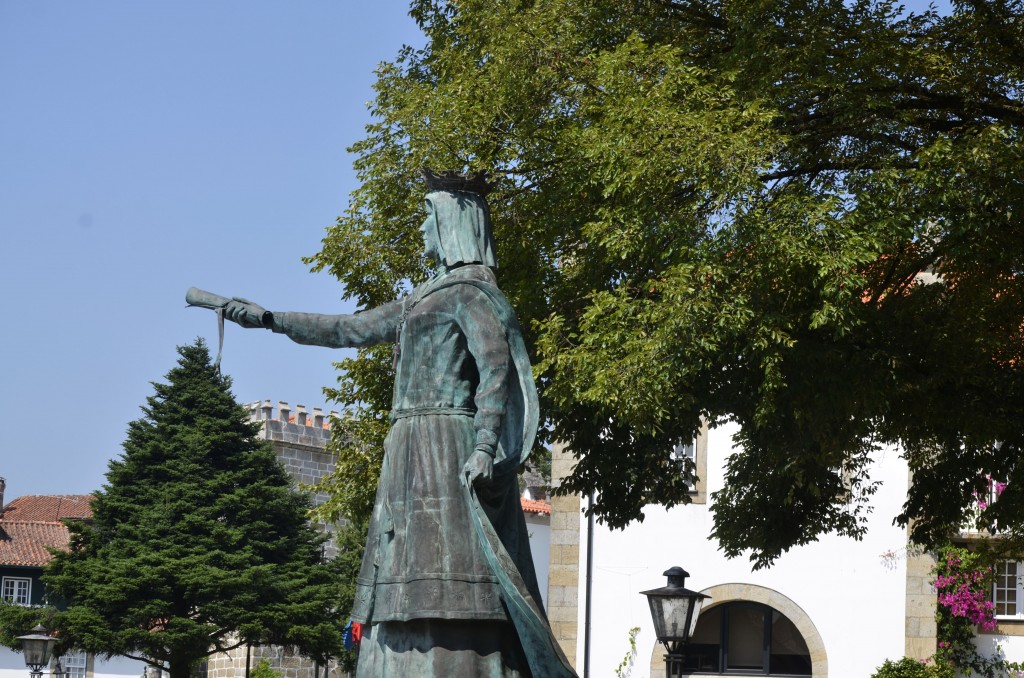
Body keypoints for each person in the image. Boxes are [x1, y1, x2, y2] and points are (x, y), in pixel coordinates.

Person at [220, 171, 575, 678]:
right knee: (403, 573)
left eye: (430, 218)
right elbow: (347, 328)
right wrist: (270, 318)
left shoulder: (471, 294)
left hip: (445, 446)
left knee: (450, 578)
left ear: (452, 225)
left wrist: (483, 446)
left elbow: (495, 370)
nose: (424, 231)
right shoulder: (423, 298)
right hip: (408, 447)